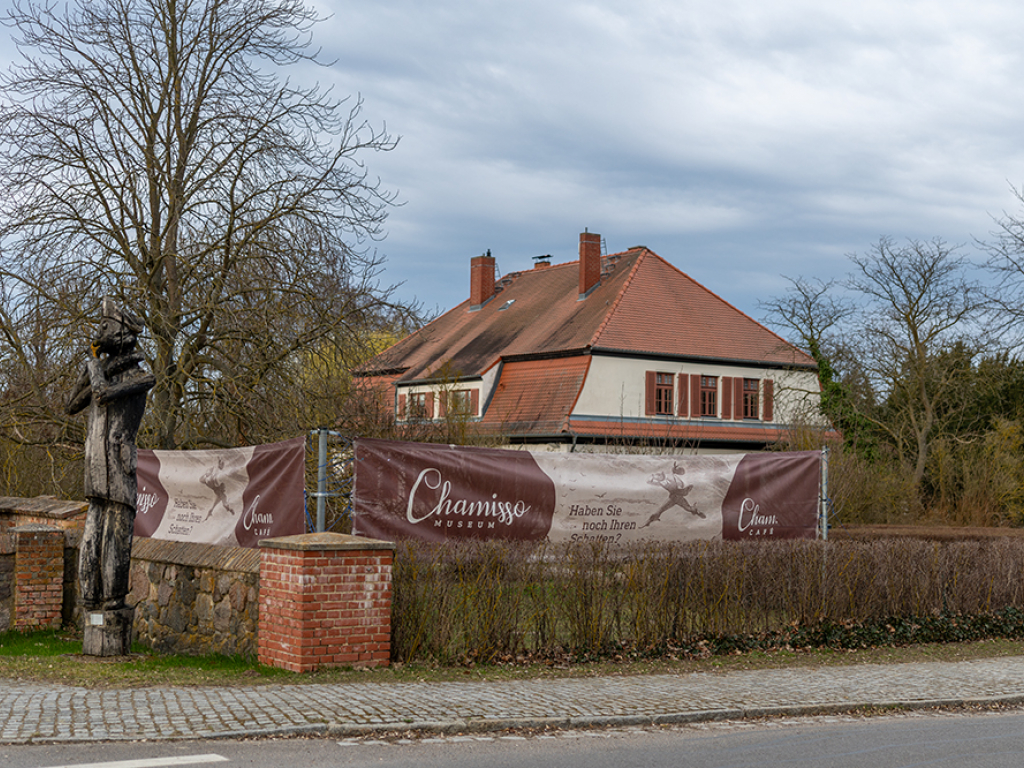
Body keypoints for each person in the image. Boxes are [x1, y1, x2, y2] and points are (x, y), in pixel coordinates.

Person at [67, 298, 155, 611]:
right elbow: (73, 404)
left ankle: (112, 602)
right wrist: (91, 364)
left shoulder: (140, 377)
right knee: (90, 541)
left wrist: (93, 365)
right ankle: (90, 602)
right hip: (95, 471)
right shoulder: (100, 373)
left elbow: (102, 396)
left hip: (118, 472)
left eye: (105, 328)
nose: (99, 334)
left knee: (115, 542)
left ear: (122, 333)